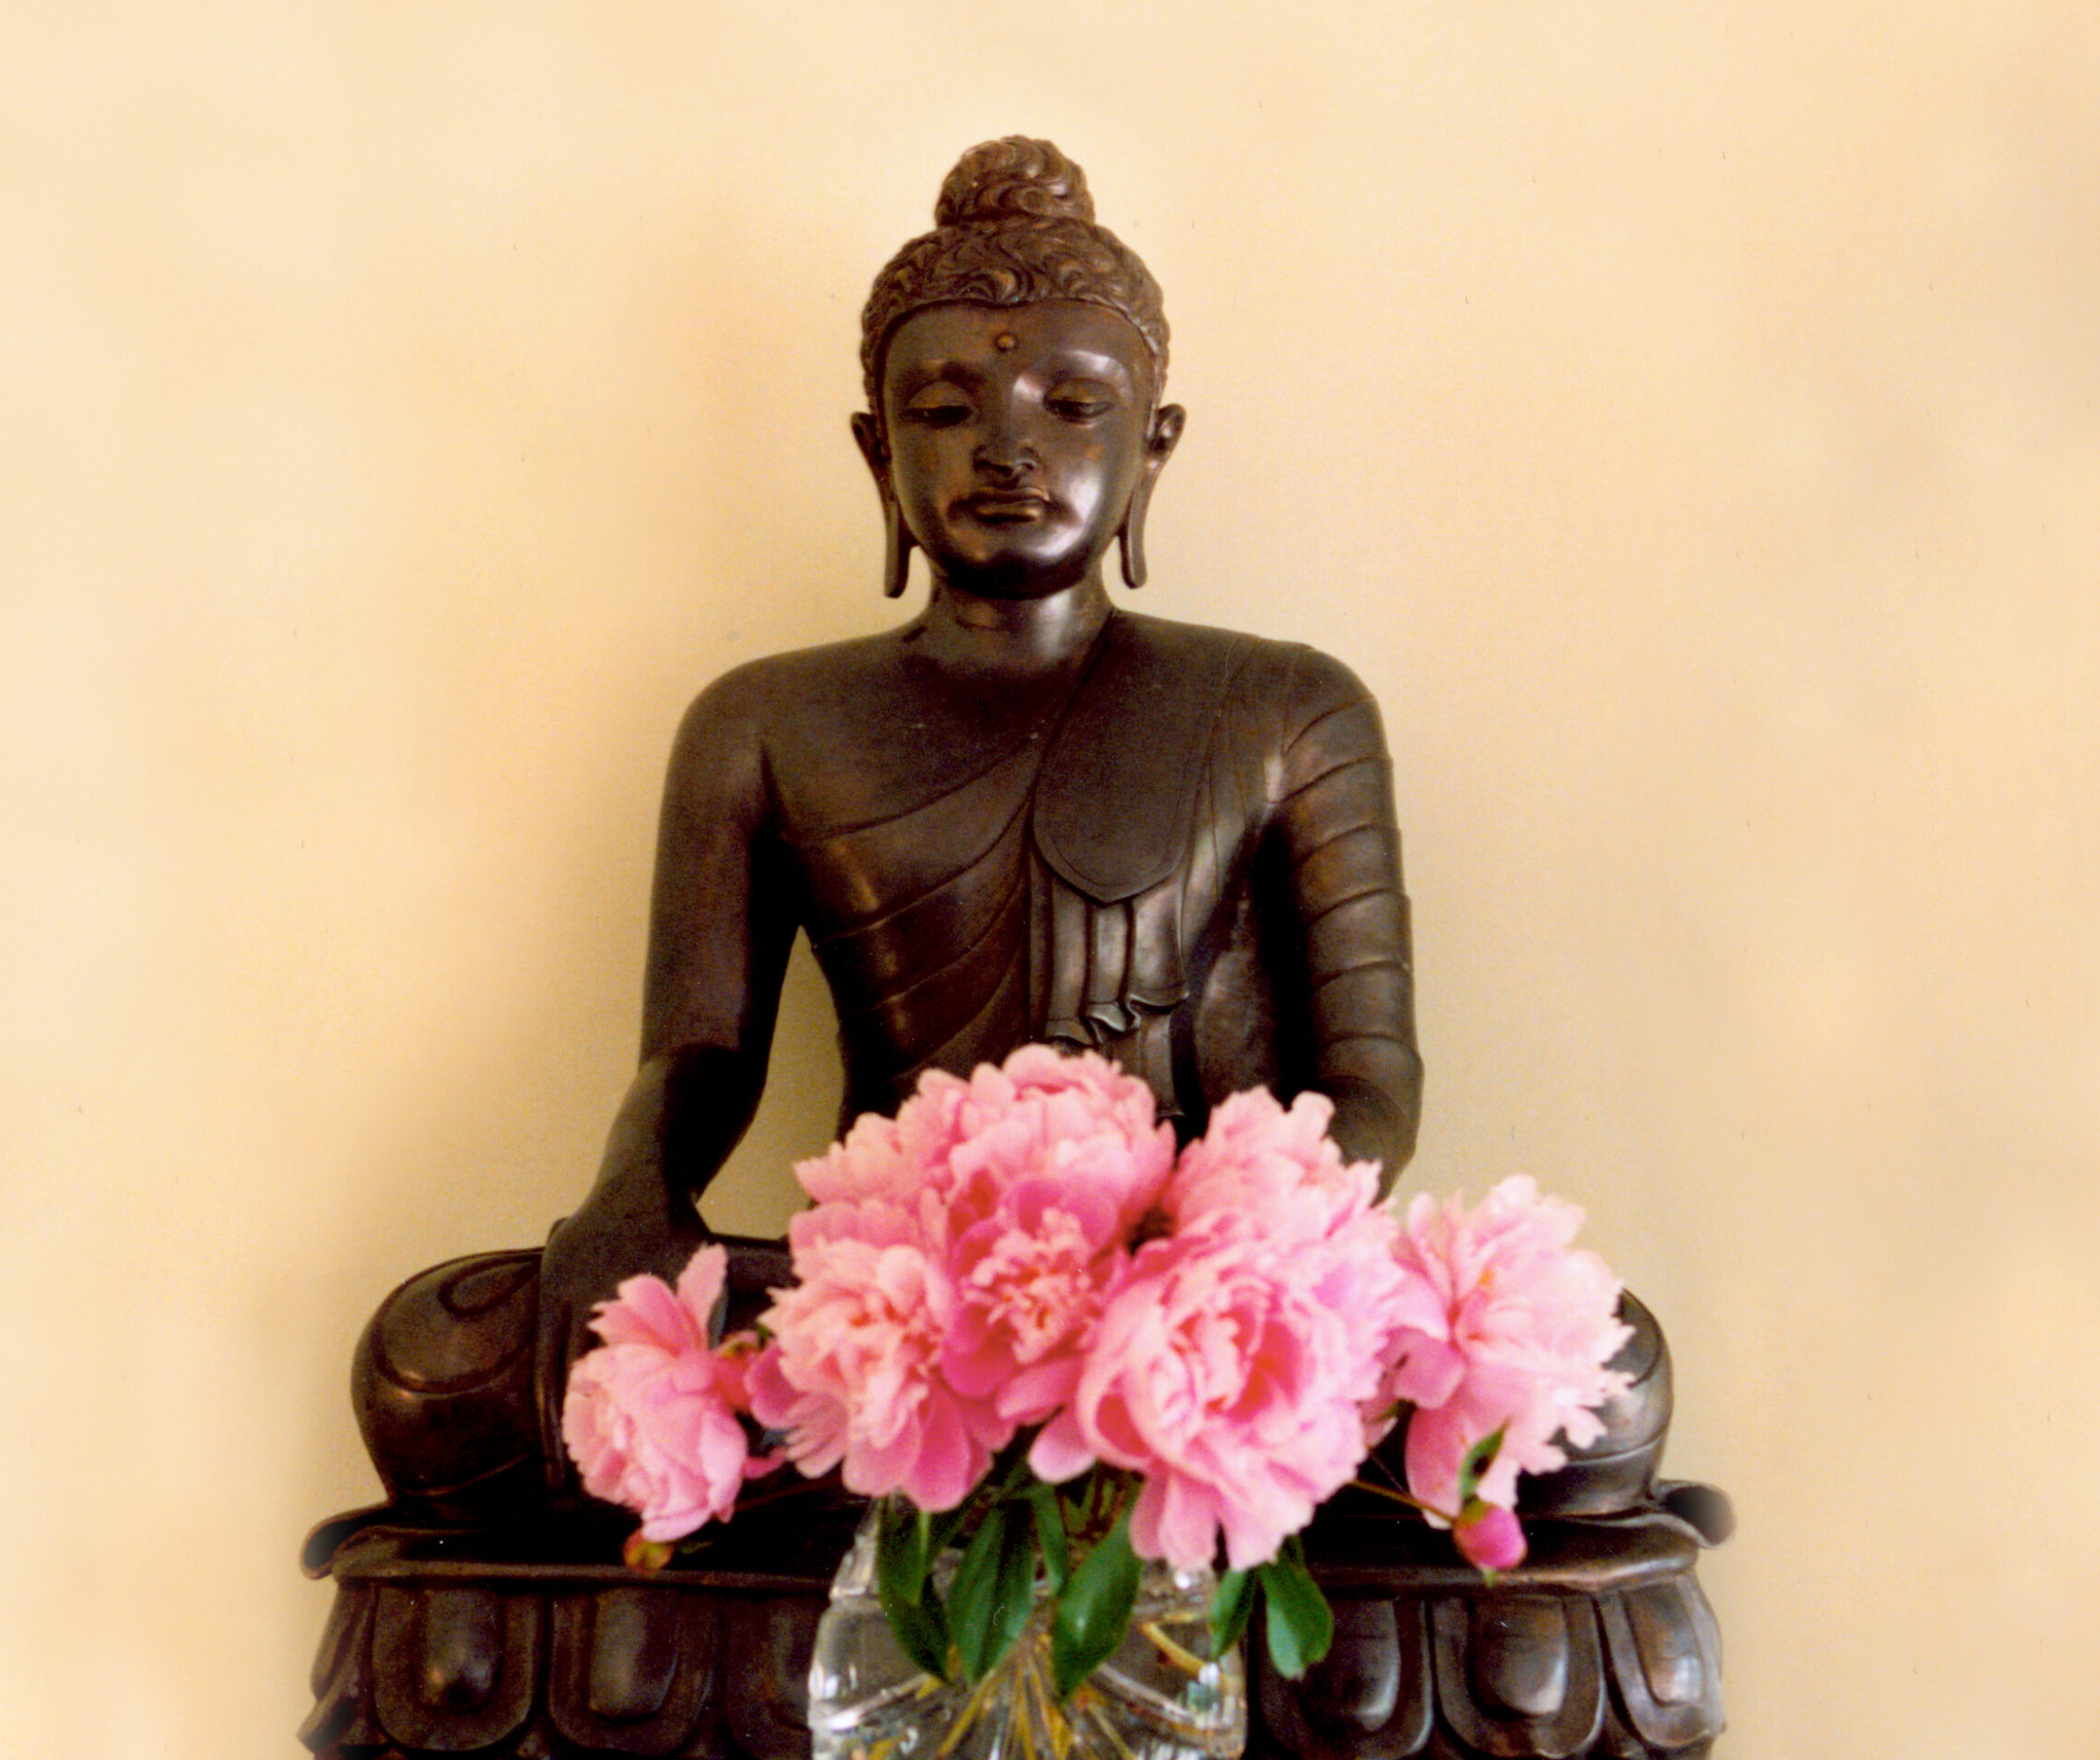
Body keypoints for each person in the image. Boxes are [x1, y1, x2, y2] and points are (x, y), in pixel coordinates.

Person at [352, 138, 1424, 1517]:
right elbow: (698, 1052)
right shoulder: (761, 721)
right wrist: (630, 1195)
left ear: (1154, 451)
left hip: (1194, 1318)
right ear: (878, 452)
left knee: (1594, 1378)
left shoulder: (1288, 710)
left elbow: (1373, 1087)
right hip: (886, 1328)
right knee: (432, 1367)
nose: (1007, 447)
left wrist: (1216, 1263)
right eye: (945, 405)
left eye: (1073, 404)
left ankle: (1147, 1442)